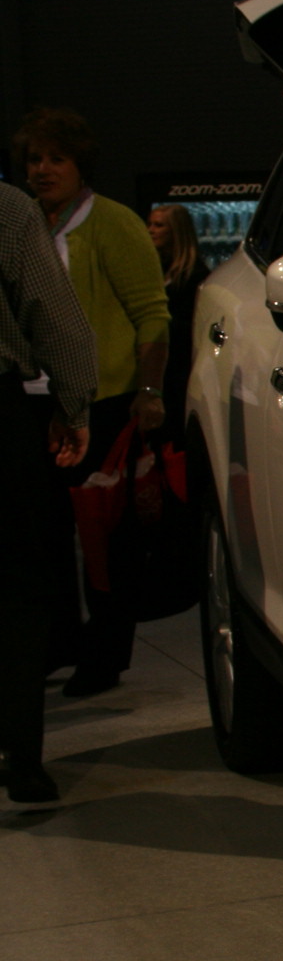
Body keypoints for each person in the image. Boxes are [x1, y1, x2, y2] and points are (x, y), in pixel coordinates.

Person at [14, 108, 170, 698]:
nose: (42, 169)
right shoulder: (28, 225)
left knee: (106, 538)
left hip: (103, 402)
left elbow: (152, 313)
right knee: (43, 534)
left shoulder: (112, 222)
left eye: (56, 158)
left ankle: (104, 655)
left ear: (81, 166)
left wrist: (150, 392)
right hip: (37, 401)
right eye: (34, 159)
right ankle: (59, 642)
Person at [0, 179, 95, 804]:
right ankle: (23, 760)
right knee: (15, 589)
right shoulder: (7, 208)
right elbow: (54, 313)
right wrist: (73, 403)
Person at [147, 203, 206, 443]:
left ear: (177, 231)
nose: (150, 230)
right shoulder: (157, 271)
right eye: (150, 223)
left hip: (180, 372)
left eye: (158, 225)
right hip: (162, 369)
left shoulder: (195, 276)